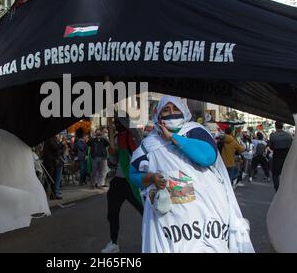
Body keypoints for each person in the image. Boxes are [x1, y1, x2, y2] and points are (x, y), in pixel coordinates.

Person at [129, 96, 254, 253]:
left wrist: (172, 138)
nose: (172, 113)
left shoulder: (195, 131)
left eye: (176, 109)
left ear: (184, 111)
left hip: (208, 213)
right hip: (173, 222)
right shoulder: (149, 144)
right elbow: (134, 174)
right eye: (166, 110)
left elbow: (207, 157)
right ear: (158, 116)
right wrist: (151, 178)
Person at [102, 118, 143, 253]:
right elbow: (113, 162)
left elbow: (139, 154)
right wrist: (112, 153)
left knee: (146, 212)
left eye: (119, 122)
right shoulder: (117, 137)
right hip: (118, 181)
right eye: (115, 123)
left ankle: (158, 238)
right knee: (112, 213)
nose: (116, 125)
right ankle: (113, 243)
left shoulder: (133, 135)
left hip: (133, 181)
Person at [269, 122, 293, 191]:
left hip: (277, 157)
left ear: (275, 126)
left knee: (275, 174)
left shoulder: (273, 136)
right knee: (286, 174)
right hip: (286, 157)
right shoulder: (288, 135)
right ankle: (286, 188)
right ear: (282, 126)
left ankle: (277, 189)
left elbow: (271, 147)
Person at [42, 134, 64, 199]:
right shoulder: (50, 139)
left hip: (52, 161)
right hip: (49, 161)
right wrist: (61, 144)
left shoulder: (53, 138)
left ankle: (52, 194)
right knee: (49, 178)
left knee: (52, 179)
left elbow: (56, 149)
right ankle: (47, 194)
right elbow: (55, 147)